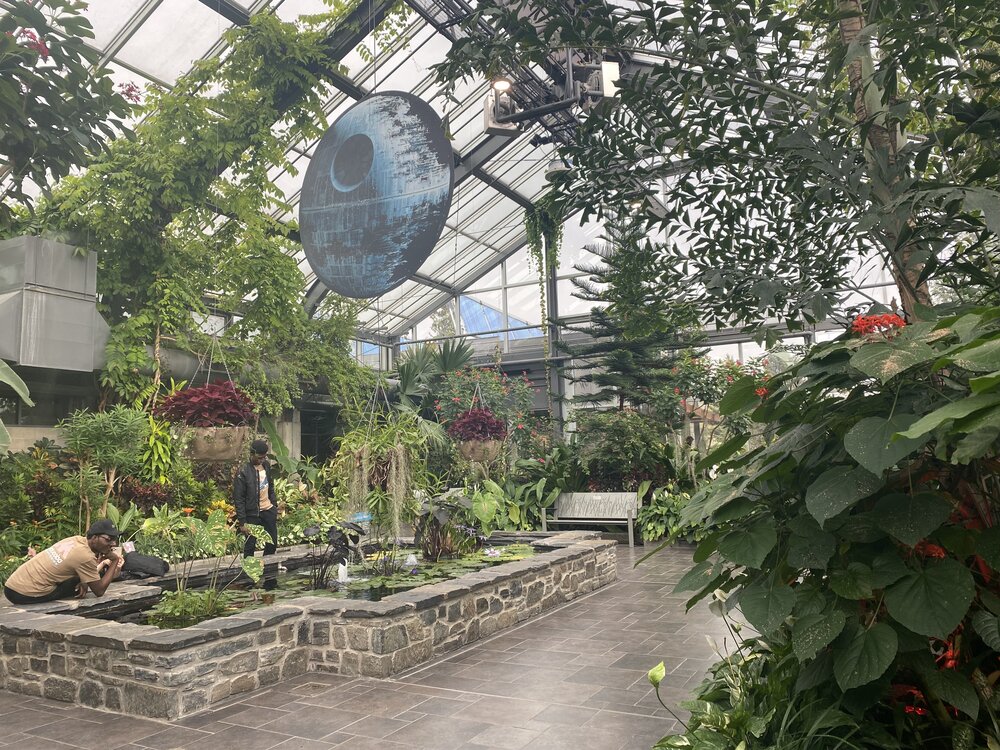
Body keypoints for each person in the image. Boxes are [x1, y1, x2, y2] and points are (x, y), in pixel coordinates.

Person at [3, 519, 123, 605]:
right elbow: (99, 591)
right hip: (22, 594)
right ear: (94, 537)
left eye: (114, 540)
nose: (113, 544)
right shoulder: (85, 556)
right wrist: (115, 559)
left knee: (80, 579)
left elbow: (75, 565)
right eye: (108, 539)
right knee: (75, 586)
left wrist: (84, 581)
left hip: (11, 586)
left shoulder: (75, 540)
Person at [233, 438, 278, 558]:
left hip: (268, 510)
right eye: (259, 458)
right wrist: (242, 522)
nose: (262, 460)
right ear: (251, 454)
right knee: (250, 546)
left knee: (272, 543)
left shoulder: (266, 466)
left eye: (264, 457)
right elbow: (239, 498)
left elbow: (270, 486)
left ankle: (266, 569)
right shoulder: (243, 471)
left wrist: (274, 506)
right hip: (252, 514)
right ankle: (249, 573)